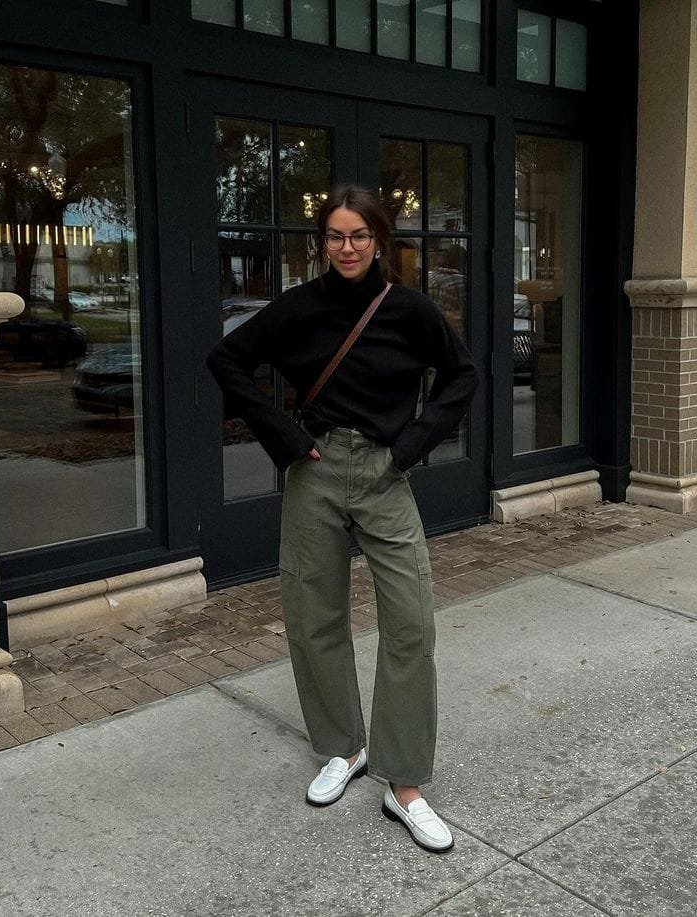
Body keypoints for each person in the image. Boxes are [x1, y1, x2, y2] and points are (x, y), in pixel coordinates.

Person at [207, 184, 478, 853]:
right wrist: (284, 435)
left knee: (411, 621)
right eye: (335, 235)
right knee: (313, 613)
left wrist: (413, 444)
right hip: (317, 470)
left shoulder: (412, 310)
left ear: (379, 239)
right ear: (321, 242)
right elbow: (226, 359)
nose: (348, 247)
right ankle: (342, 747)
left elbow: (462, 376)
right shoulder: (299, 308)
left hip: (385, 472)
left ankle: (404, 782)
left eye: (360, 235)